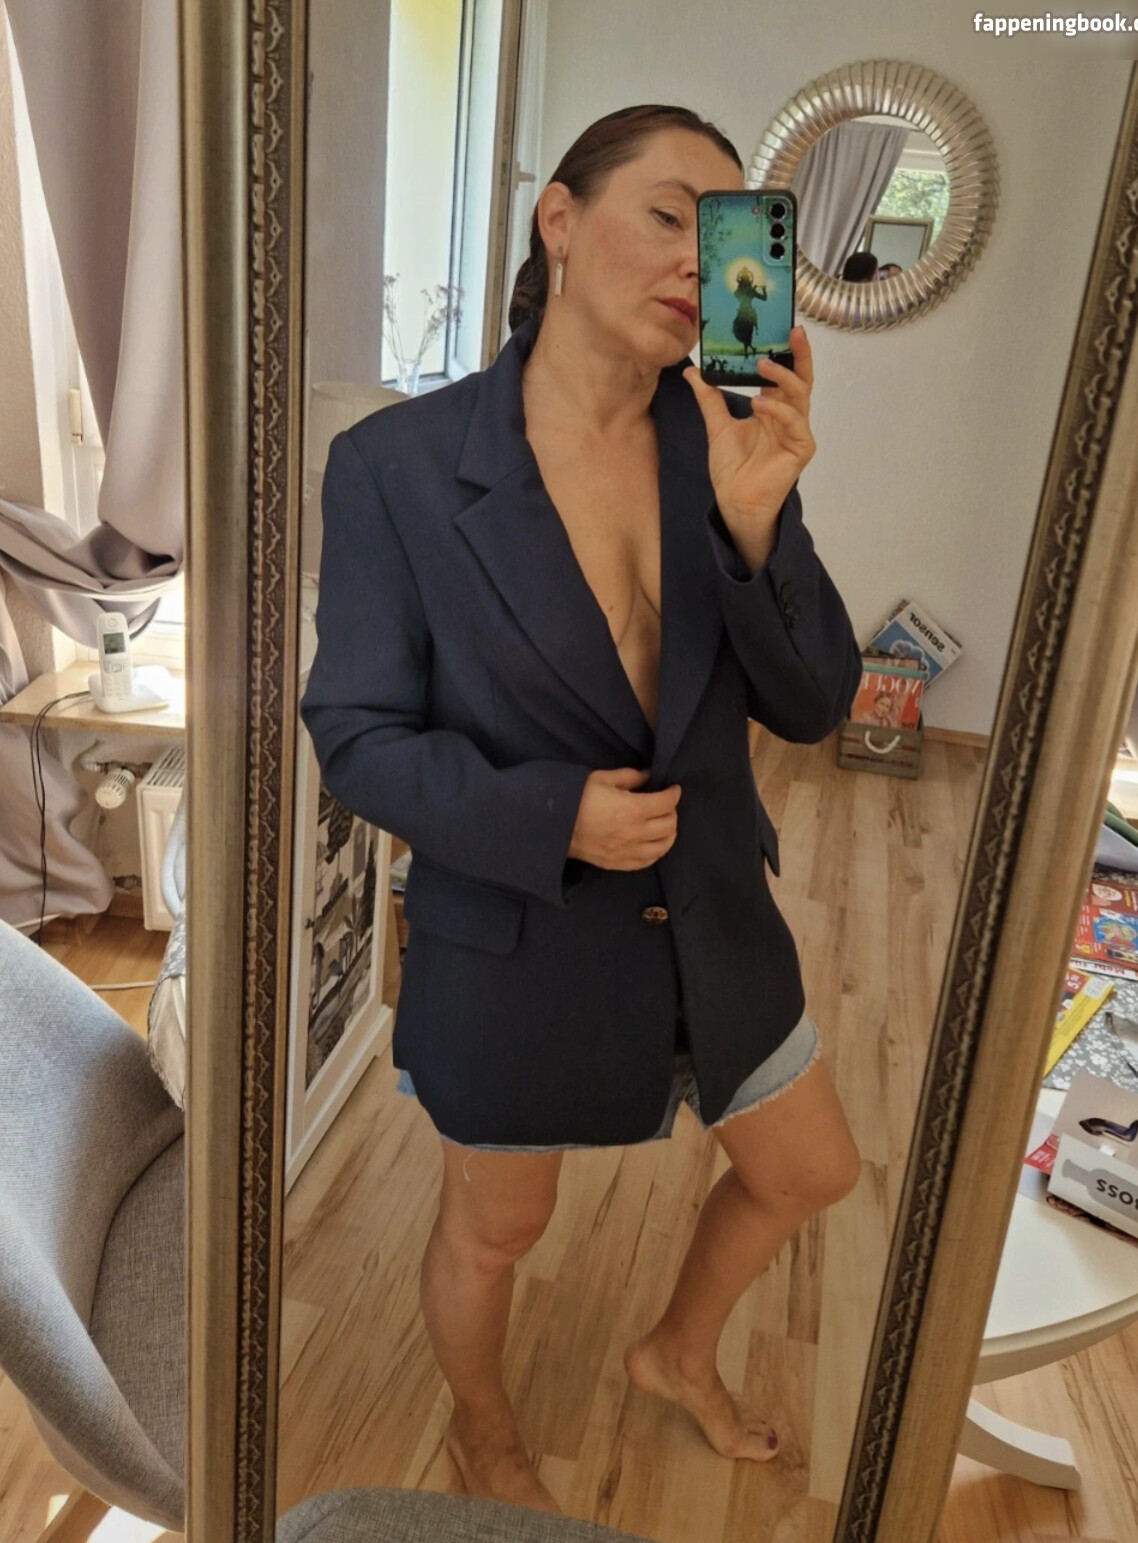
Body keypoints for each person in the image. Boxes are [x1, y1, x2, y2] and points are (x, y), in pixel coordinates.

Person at [300, 103, 865, 1515]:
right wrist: (551, 815)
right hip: (520, 935)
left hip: (713, 915)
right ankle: (483, 1427)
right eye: (668, 215)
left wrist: (757, 520)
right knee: (499, 1229)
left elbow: (813, 705)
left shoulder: (720, 438)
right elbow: (355, 739)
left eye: (726, 236)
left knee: (809, 1169)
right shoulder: (398, 468)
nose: (697, 261)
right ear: (560, 220)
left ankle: (676, 1352)